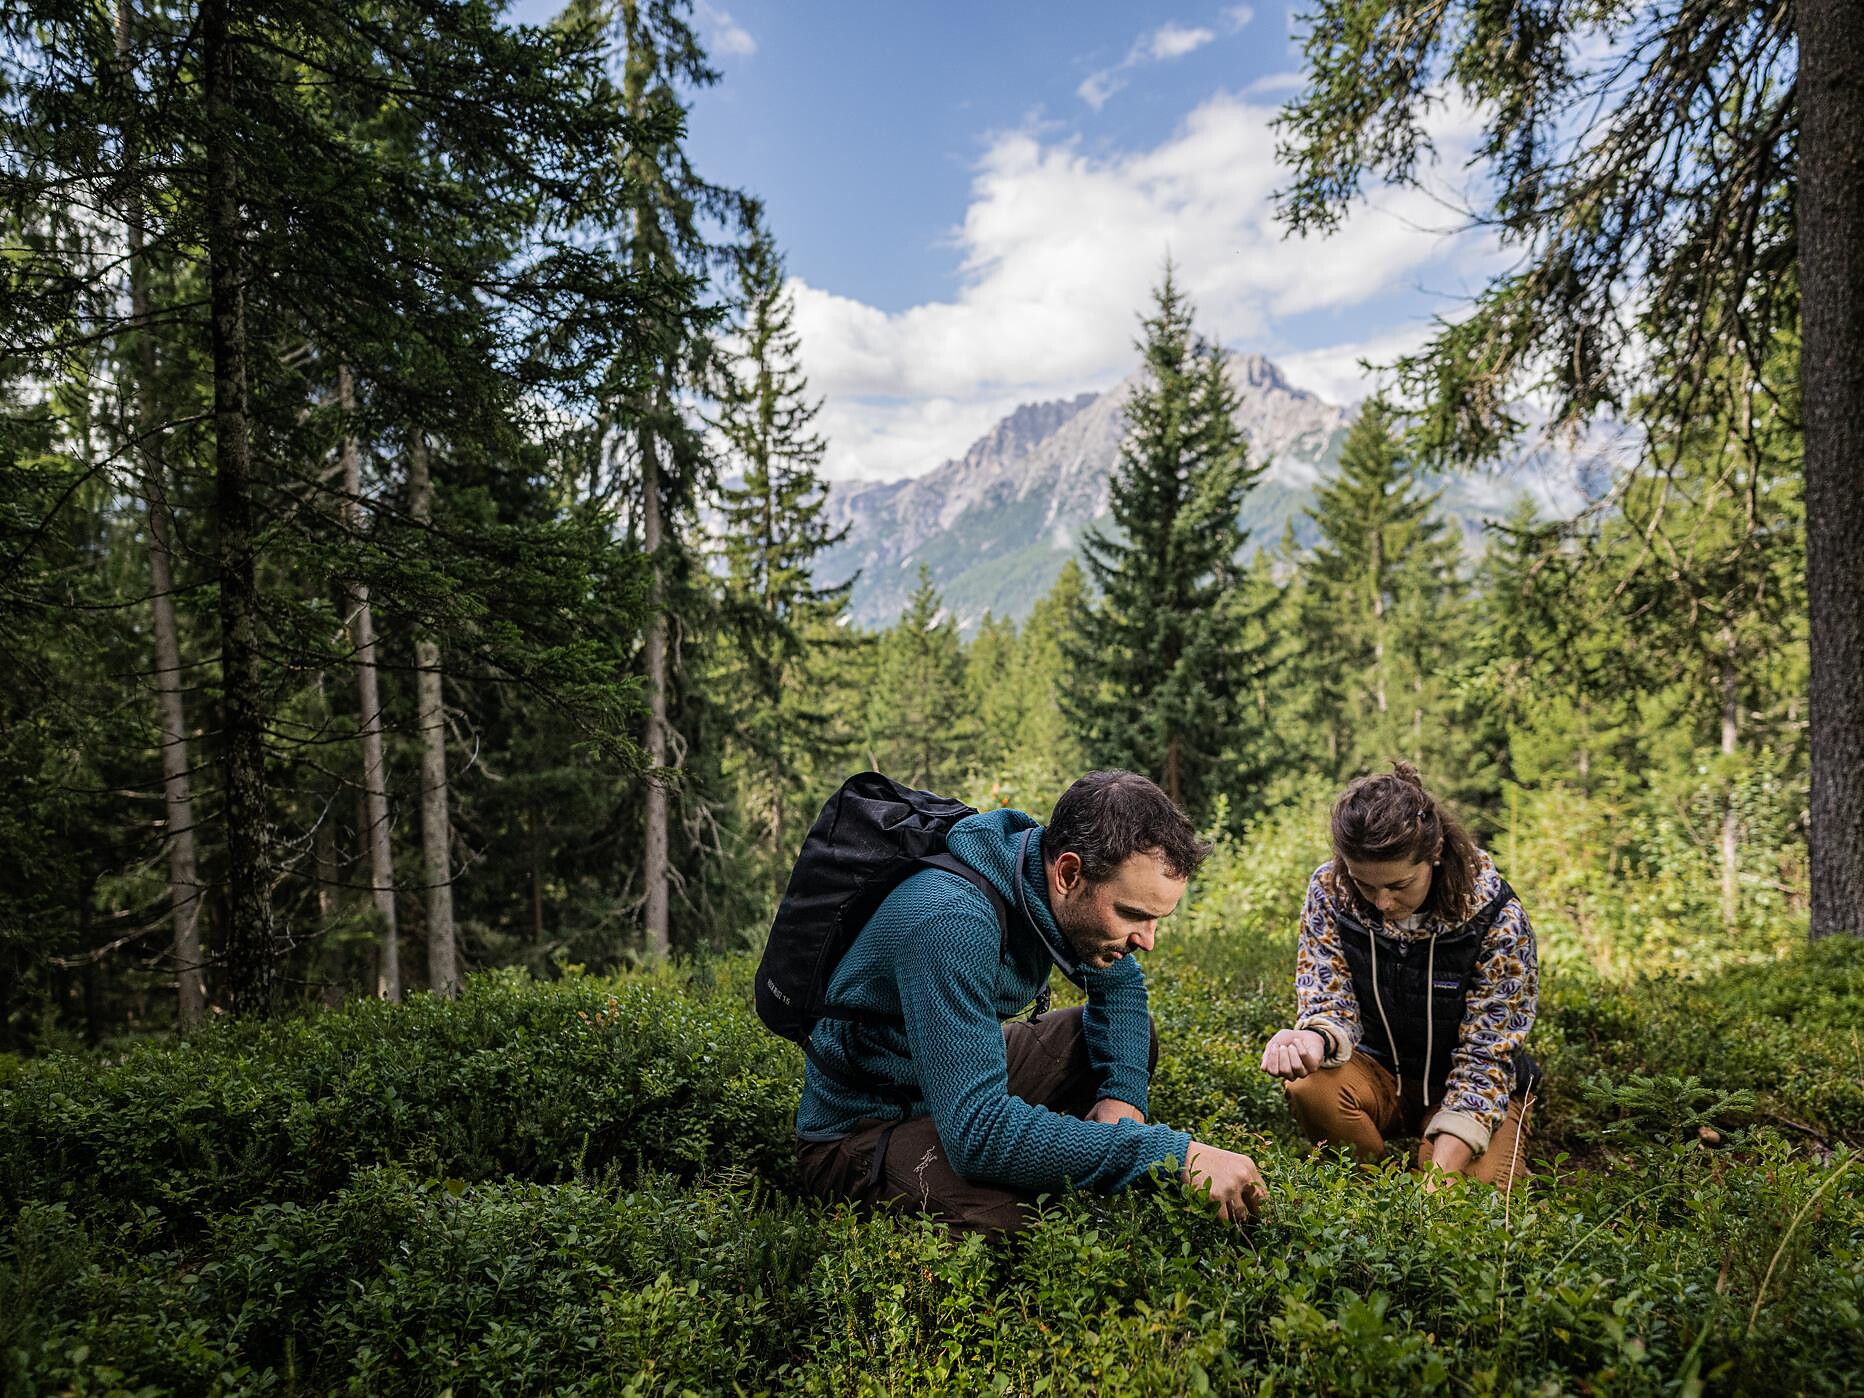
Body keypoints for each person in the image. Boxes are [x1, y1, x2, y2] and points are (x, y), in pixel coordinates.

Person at [794, 770, 1266, 1232]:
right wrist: (1170, 1155)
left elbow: (1120, 988)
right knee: (1031, 1219)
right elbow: (977, 1133)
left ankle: (1046, 1146)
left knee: (1120, 1043)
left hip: (946, 1086)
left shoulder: (1036, 877)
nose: (1148, 940)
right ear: (1069, 873)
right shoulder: (950, 920)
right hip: (861, 1130)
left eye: (1156, 919)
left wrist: (1121, 1098)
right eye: (1132, 914)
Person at [1259, 762, 1539, 1189]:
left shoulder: (1498, 918)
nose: (1382, 903)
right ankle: (1370, 1186)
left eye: (1399, 885)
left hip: (1465, 1084)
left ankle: (1433, 1172)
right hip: (1377, 1073)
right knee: (1309, 1086)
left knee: (1463, 1199)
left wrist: (1438, 1178)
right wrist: (1314, 1039)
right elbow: (1329, 998)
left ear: (1436, 851)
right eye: (1366, 885)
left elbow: (1486, 1057)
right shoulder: (1329, 892)